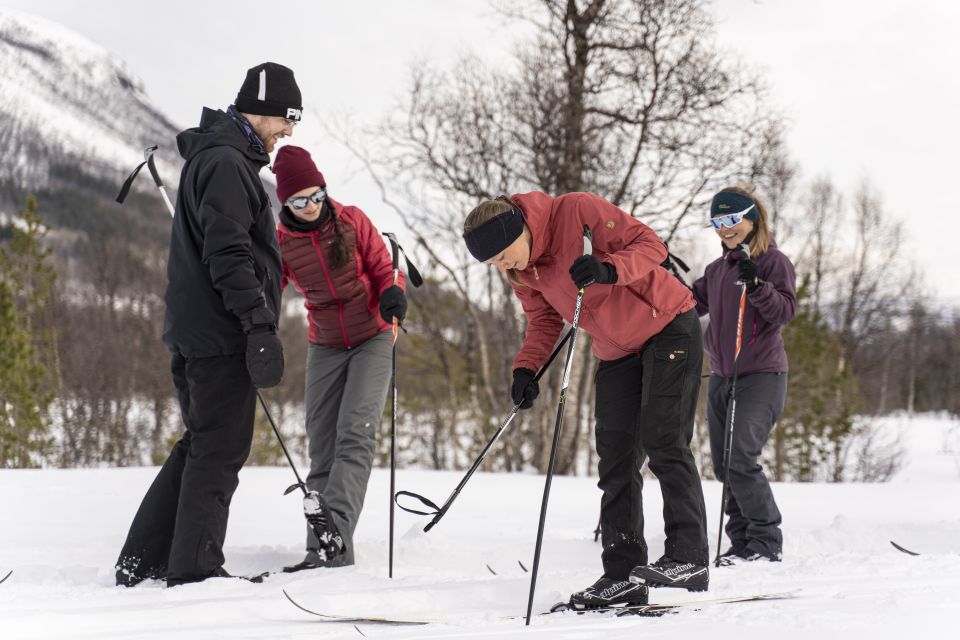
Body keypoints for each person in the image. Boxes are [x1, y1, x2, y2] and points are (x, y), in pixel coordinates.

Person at [462, 192, 710, 609]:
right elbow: (543, 321)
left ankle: (688, 556)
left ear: (520, 228)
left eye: (505, 255)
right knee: (615, 459)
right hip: (616, 351)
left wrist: (608, 269)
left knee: (663, 438)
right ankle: (623, 573)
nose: (505, 267)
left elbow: (651, 245)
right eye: (495, 265)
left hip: (668, 325)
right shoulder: (525, 272)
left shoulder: (576, 212)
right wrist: (526, 369)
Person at [115, 62, 301, 587]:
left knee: (200, 445)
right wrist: (258, 324)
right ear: (262, 109)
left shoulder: (222, 158)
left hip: (201, 331)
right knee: (219, 450)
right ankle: (194, 567)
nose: (289, 131)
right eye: (287, 119)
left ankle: (143, 558)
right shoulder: (225, 162)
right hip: (220, 335)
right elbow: (229, 253)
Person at [272, 145, 407, 572]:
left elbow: (385, 269)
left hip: (373, 336)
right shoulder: (282, 244)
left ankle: (337, 543)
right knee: (322, 446)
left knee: (355, 434)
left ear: (324, 189)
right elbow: (267, 290)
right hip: (326, 344)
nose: (310, 206)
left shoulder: (351, 220)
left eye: (315, 195)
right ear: (285, 203)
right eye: (299, 200)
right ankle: (318, 549)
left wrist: (392, 294)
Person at [691, 187, 797, 564]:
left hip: (762, 376)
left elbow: (784, 311)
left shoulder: (773, 262)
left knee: (740, 458)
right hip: (721, 375)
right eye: (717, 222)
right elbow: (690, 302)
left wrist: (756, 286)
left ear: (753, 219)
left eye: (732, 220)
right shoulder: (717, 270)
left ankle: (765, 543)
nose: (725, 228)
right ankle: (741, 543)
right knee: (723, 464)